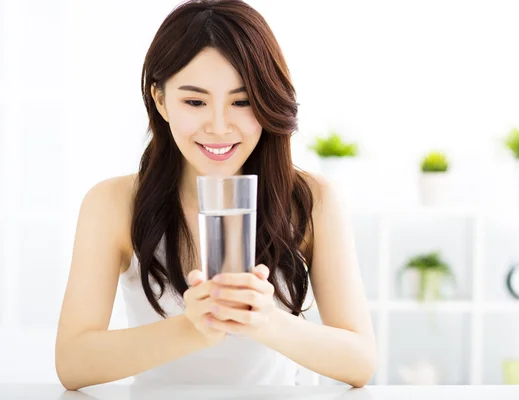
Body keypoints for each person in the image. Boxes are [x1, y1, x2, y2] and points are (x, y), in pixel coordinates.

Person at [55, 0, 376, 390]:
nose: (219, 126)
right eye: (195, 101)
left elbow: (359, 362)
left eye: (242, 102)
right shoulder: (112, 204)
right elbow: (72, 363)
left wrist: (265, 320)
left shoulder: (312, 200)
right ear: (160, 100)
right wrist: (193, 329)